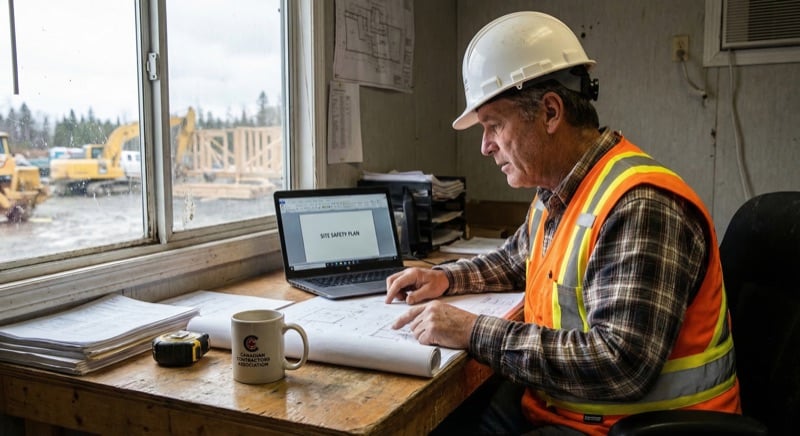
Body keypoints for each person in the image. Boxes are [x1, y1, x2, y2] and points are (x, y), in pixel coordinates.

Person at [385, 11, 741, 435]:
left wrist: (474, 331)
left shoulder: (639, 205)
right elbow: (518, 259)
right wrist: (444, 278)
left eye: (494, 125)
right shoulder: (558, 190)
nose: (485, 147)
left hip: (629, 426)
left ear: (551, 112)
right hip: (563, 407)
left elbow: (620, 364)